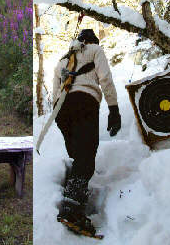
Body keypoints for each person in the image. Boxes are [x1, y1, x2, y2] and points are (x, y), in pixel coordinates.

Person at [53, 29, 121, 235]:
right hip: (84, 102)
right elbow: (105, 78)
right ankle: (71, 209)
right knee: (87, 155)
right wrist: (114, 109)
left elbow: (55, 90)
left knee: (78, 155)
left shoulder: (63, 60)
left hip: (61, 110)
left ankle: (73, 196)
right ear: (92, 41)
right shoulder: (95, 50)